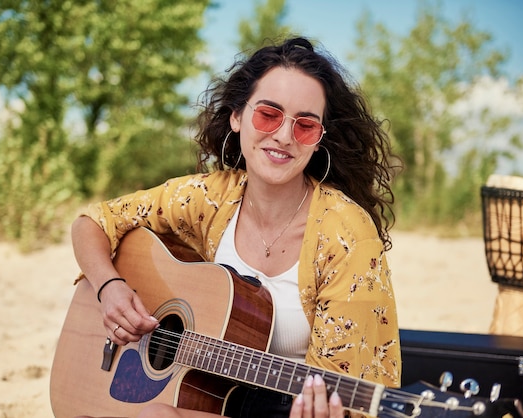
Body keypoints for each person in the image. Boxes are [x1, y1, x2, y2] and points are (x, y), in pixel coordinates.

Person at [71, 36, 401, 418]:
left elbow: (347, 389)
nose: (283, 136)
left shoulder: (347, 234)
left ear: (318, 141)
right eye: (268, 114)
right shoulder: (212, 197)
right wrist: (109, 287)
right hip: (211, 395)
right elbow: (94, 222)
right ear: (237, 116)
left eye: (305, 126)